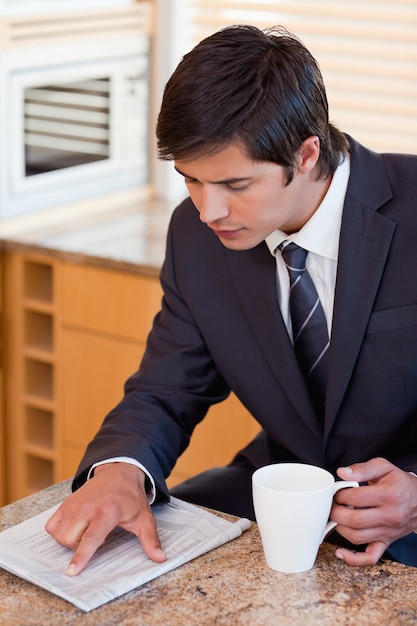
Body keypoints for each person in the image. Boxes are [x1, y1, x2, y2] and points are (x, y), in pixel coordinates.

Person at [46, 25, 417, 576]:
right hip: (271, 491)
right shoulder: (197, 237)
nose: (207, 210)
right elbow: (168, 386)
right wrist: (120, 470)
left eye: (235, 185)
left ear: (307, 153)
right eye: (191, 180)